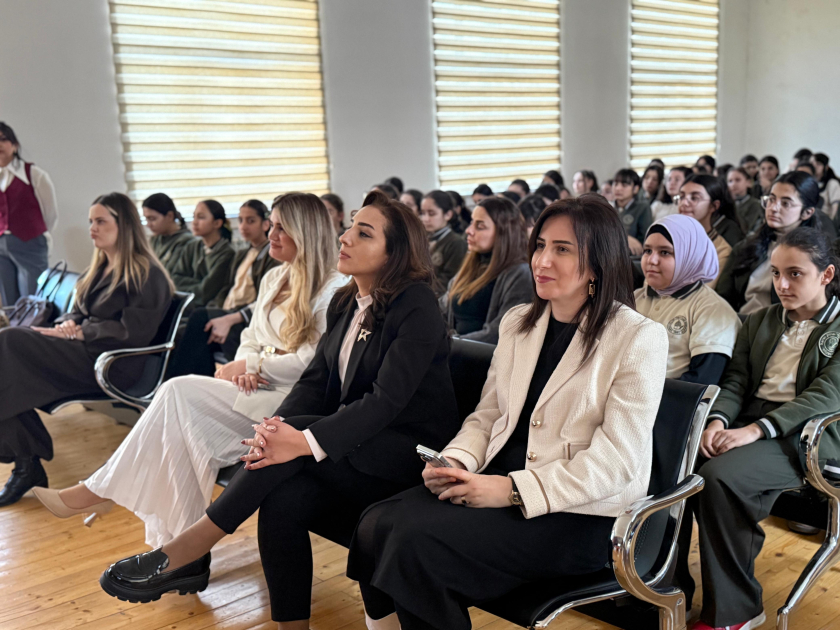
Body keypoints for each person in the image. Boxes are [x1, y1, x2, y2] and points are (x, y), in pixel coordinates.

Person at [97, 191, 462, 627]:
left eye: (363, 234)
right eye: (349, 227)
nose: (344, 237)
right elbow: (314, 381)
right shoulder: (347, 301)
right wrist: (273, 429)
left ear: (394, 252)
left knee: (297, 436)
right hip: (358, 445)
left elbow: (386, 402)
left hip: (407, 455)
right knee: (282, 497)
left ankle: (190, 546)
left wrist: (301, 439)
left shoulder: (416, 304)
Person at [347, 193, 669, 630]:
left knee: (415, 546)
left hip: (580, 514)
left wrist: (511, 490)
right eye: (540, 246)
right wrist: (456, 461)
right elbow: (489, 415)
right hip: (499, 480)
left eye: (562, 249)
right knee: (374, 524)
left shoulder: (637, 338)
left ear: (597, 264)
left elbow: (616, 463)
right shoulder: (520, 322)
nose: (542, 261)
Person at [34, 192, 347, 548]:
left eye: (280, 228)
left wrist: (252, 364)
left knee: (177, 394)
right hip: (256, 387)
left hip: (291, 403)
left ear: (305, 232)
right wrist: (245, 365)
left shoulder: (333, 288)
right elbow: (251, 335)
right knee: (182, 429)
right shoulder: (275, 277)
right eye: (271, 225)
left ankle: (104, 494)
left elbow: (311, 364)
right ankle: (178, 548)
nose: (270, 234)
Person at [676, 226, 840, 630]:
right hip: (752, 423)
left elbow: (825, 395)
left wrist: (754, 430)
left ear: (826, 275)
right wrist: (718, 420)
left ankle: (735, 610)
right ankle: (668, 587)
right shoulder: (760, 321)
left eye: (795, 274)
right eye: (776, 273)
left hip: (809, 433)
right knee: (676, 462)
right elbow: (736, 382)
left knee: (719, 477)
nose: (781, 284)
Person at [0, 193, 172, 507]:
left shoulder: (147, 274)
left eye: (100, 221)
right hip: (85, 353)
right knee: (7, 369)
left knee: (9, 341)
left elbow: (134, 333)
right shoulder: (100, 267)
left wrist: (82, 331)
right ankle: (26, 464)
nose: (92, 228)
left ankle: (27, 463)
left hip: (112, 363)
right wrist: (68, 323)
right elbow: (77, 311)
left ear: (124, 225)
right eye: (91, 221)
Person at [167, 199, 281, 377]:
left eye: (251, 221)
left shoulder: (271, 257)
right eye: (241, 220)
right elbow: (226, 289)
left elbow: (262, 300)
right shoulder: (241, 254)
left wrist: (224, 316)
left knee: (200, 319)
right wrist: (214, 309)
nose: (243, 226)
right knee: (190, 325)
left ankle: (179, 381)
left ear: (265, 224)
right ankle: (190, 381)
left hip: (244, 316)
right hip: (228, 309)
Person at [635, 214, 740, 385]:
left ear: (690, 256)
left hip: (669, 398)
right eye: (647, 251)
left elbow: (701, 381)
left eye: (665, 252)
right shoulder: (634, 299)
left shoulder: (712, 310)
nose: (652, 260)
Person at [717, 172, 823, 314]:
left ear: (807, 212)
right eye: (771, 200)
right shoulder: (745, 247)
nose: (773, 208)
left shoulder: (815, 257)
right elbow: (723, 297)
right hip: (739, 321)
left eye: (785, 203)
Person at [440, 196, 531, 343]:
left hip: (482, 355)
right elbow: (441, 310)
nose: (469, 230)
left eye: (480, 226)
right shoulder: (473, 265)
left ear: (503, 232)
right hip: (457, 349)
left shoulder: (520, 274)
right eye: (471, 223)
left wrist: (451, 345)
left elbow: (500, 333)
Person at [0, 122, 58, 307]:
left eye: (3, 139)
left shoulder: (34, 174)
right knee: (9, 302)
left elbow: (50, 213)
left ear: (15, 145)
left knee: (34, 301)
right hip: (1, 246)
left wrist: (35, 234)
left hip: (30, 243)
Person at [677, 174, 744, 289]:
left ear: (714, 206)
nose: (684, 203)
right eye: (682, 197)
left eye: (694, 198)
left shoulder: (720, 250)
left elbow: (702, 293)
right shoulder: (669, 239)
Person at [170, 199, 236, 307]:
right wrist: (199, 283)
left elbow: (205, 292)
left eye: (201, 217)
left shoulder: (227, 254)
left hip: (208, 308)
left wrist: (193, 285)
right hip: (186, 304)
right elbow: (174, 279)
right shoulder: (192, 247)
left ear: (217, 223)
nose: (194, 222)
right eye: (194, 217)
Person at [419, 191, 468, 292]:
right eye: (423, 213)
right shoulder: (423, 239)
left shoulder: (456, 243)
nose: (426, 219)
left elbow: (447, 282)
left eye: (431, 214)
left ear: (448, 214)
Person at [142, 193, 194, 277]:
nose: (148, 225)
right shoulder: (155, 240)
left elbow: (170, 274)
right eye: (146, 219)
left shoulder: (187, 242)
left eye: (152, 219)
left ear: (170, 216)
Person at [612, 168, 652, 255]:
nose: (618, 188)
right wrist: (624, 237)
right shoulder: (607, 207)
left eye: (624, 185)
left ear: (635, 189)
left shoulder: (642, 207)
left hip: (632, 256)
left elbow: (645, 239)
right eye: (615, 184)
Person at [727, 167, 764, 236]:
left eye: (738, 180)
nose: (733, 184)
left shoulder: (755, 204)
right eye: (730, 181)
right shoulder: (726, 204)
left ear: (748, 182)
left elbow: (746, 230)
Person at [812, 153, 840, 221]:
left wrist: (831, 224)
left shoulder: (832, 183)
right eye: (812, 164)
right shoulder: (811, 182)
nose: (815, 166)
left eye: (818, 164)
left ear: (826, 167)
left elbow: (835, 208)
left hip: (825, 221)